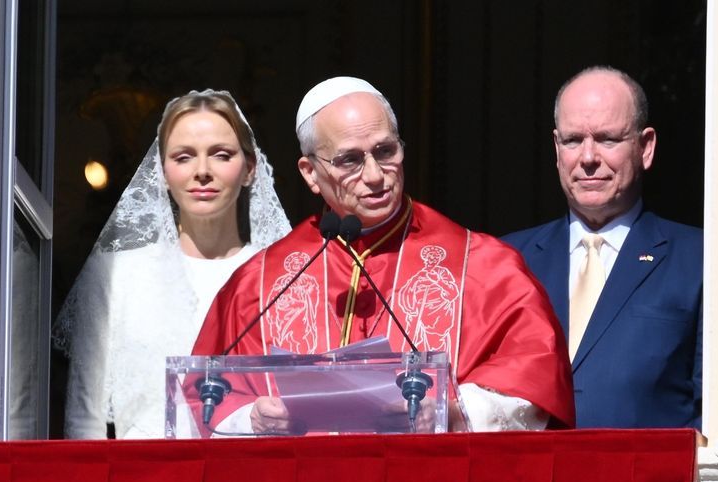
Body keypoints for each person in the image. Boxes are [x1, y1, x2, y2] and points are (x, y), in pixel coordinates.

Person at [189, 76, 575, 435]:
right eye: (350, 160)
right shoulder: (260, 283)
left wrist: (449, 410)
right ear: (309, 172)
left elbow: (534, 381)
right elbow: (203, 395)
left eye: (385, 151)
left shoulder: (484, 266)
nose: (375, 175)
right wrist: (252, 418)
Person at [53, 89, 291, 439]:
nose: (202, 171)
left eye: (221, 155)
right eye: (183, 158)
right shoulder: (115, 274)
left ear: (249, 169)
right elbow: (84, 418)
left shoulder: (280, 276)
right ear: (162, 172)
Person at [502, 66, 703, 430]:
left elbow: (714, 409)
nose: (589, 157)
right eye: (574, 140)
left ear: (646, 147)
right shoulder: (507, 261)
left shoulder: (698, 260)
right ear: (556, 148)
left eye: (608, 139)